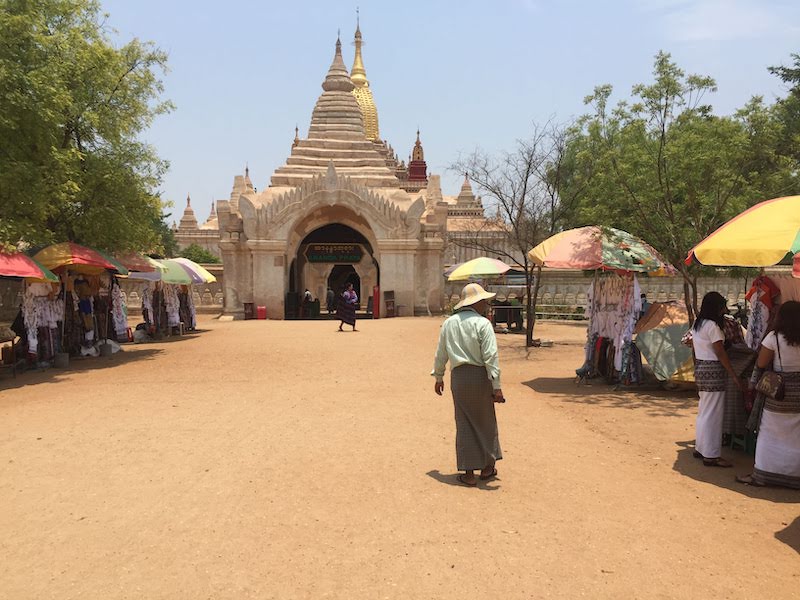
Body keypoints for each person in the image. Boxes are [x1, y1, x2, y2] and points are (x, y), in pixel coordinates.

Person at [432, 283, 505, 487]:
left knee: (464, 422)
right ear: (477, 303)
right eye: (484, 301)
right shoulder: (482, 324)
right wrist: (496, 385)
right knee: (486, 420)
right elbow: (491, 356)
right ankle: (488, 467)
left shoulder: (449, 323)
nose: (487, 304)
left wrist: (438, 377)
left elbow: (441, 353)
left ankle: (468, 473)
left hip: (459, 378)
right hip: (480, 377)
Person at [737, 301, 800, 488]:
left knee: (769, 433)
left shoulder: (774, 338)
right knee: (796, 435)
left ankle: (765, 474)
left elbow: (762, 363)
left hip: (778, 393)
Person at [692, 291, 747, 467]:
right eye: (722, 306)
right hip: (714, 371)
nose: (724, 309)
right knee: (714, 414)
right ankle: (712, 455)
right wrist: (733, 374)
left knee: (704, 411)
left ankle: (701, 448)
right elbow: (720, 353)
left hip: (702, 369)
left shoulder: (698, 324)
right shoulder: (713, 327)